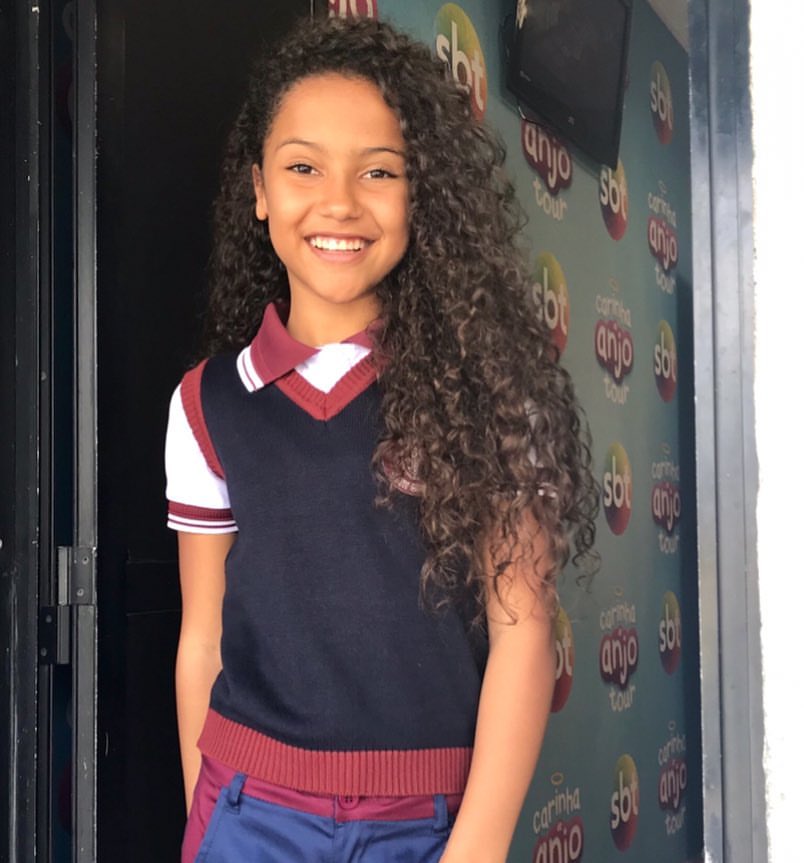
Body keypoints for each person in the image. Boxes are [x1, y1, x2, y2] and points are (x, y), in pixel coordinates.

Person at [165, 15, 597, 863]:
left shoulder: (492, 391)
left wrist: (474, 850)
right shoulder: (207, 403)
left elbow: (523, 635)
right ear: (259, 189)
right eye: (302, 167)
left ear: (419, 191)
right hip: (247, 816)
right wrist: (206, 819)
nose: (339, 202)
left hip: (428, 825)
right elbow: (203, 637)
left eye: (379, 171)